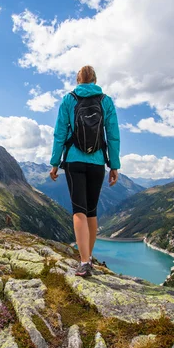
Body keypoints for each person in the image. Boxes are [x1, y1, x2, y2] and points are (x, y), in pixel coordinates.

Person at [49, 65, 120, 277]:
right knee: (91, 212)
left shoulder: (68, 100)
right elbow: (113, 135)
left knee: (78, 210)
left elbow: (59, 133)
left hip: (73, 160)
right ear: (95, 80)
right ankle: (89, 258)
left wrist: (55, 162)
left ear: (78, 81)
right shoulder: (106, 101)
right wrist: (113, 165)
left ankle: (84, 262)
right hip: (97, 162)